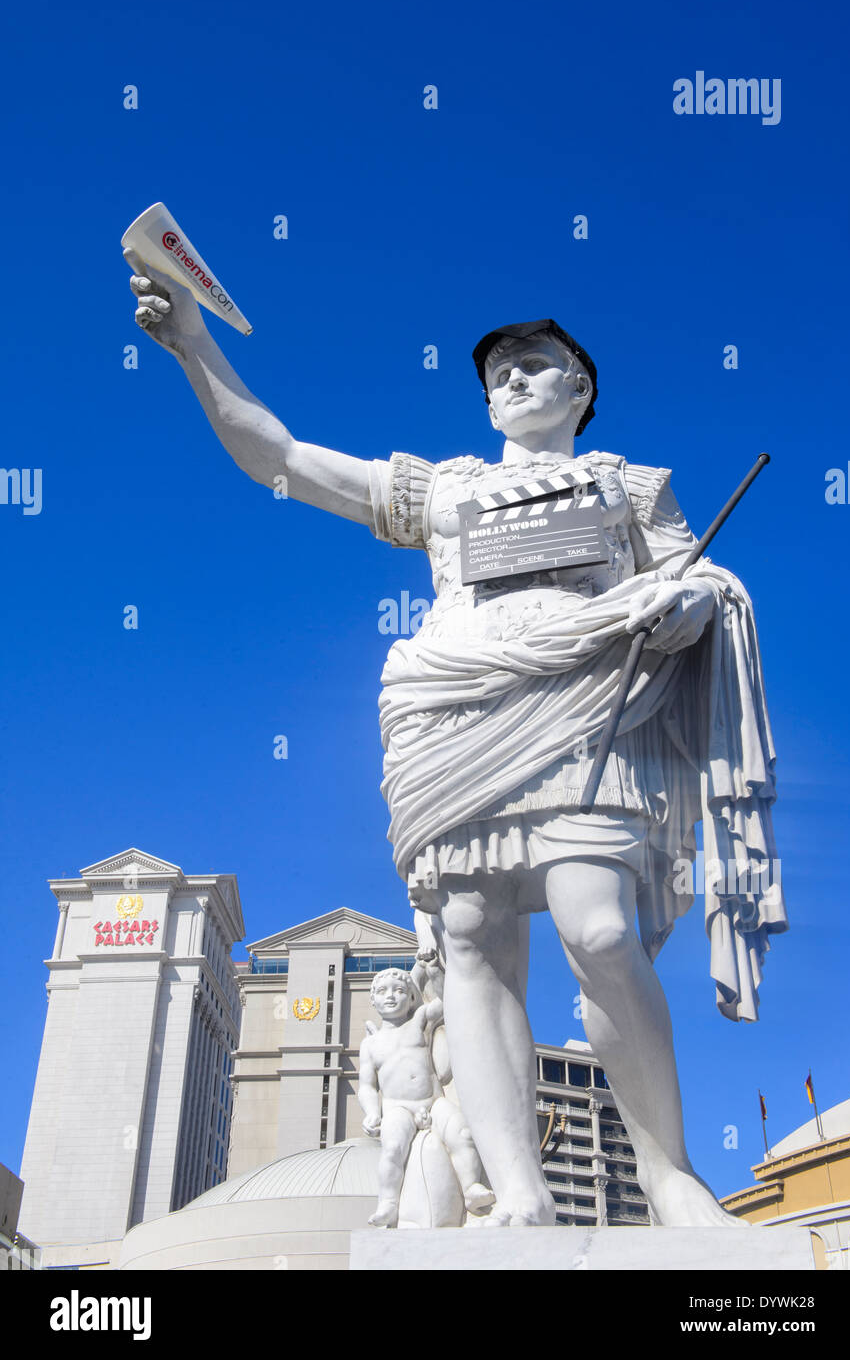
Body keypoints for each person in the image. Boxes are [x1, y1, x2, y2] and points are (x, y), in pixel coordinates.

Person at [127, 260, 787, 1227]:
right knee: (473, 942)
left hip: (582, 710)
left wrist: (689, 602)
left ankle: (668, 1175)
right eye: (497, 375)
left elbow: (690, 585)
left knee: (597, 927)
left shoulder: (632, 488)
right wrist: (192, 340)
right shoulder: (440, 490)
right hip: (450, 718)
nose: (511, 381)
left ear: (580, 387)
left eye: (533, 365)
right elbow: (278, 455)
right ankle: (516, 1193)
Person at [359, 954, 494, 1227]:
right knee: (393, 1148)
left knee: (462, 1134)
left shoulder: (419, 1020)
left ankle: (470, 1188)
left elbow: (447, 1001)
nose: (390, 997)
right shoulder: (371, 1045)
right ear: (372, 1000)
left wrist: (430, 968)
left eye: (399, 991)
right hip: (397, 1107)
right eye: (382, 992)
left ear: (412, 998)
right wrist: (372, 1113)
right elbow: (367, 1086)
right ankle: (389, 1202)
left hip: (433, 1101)